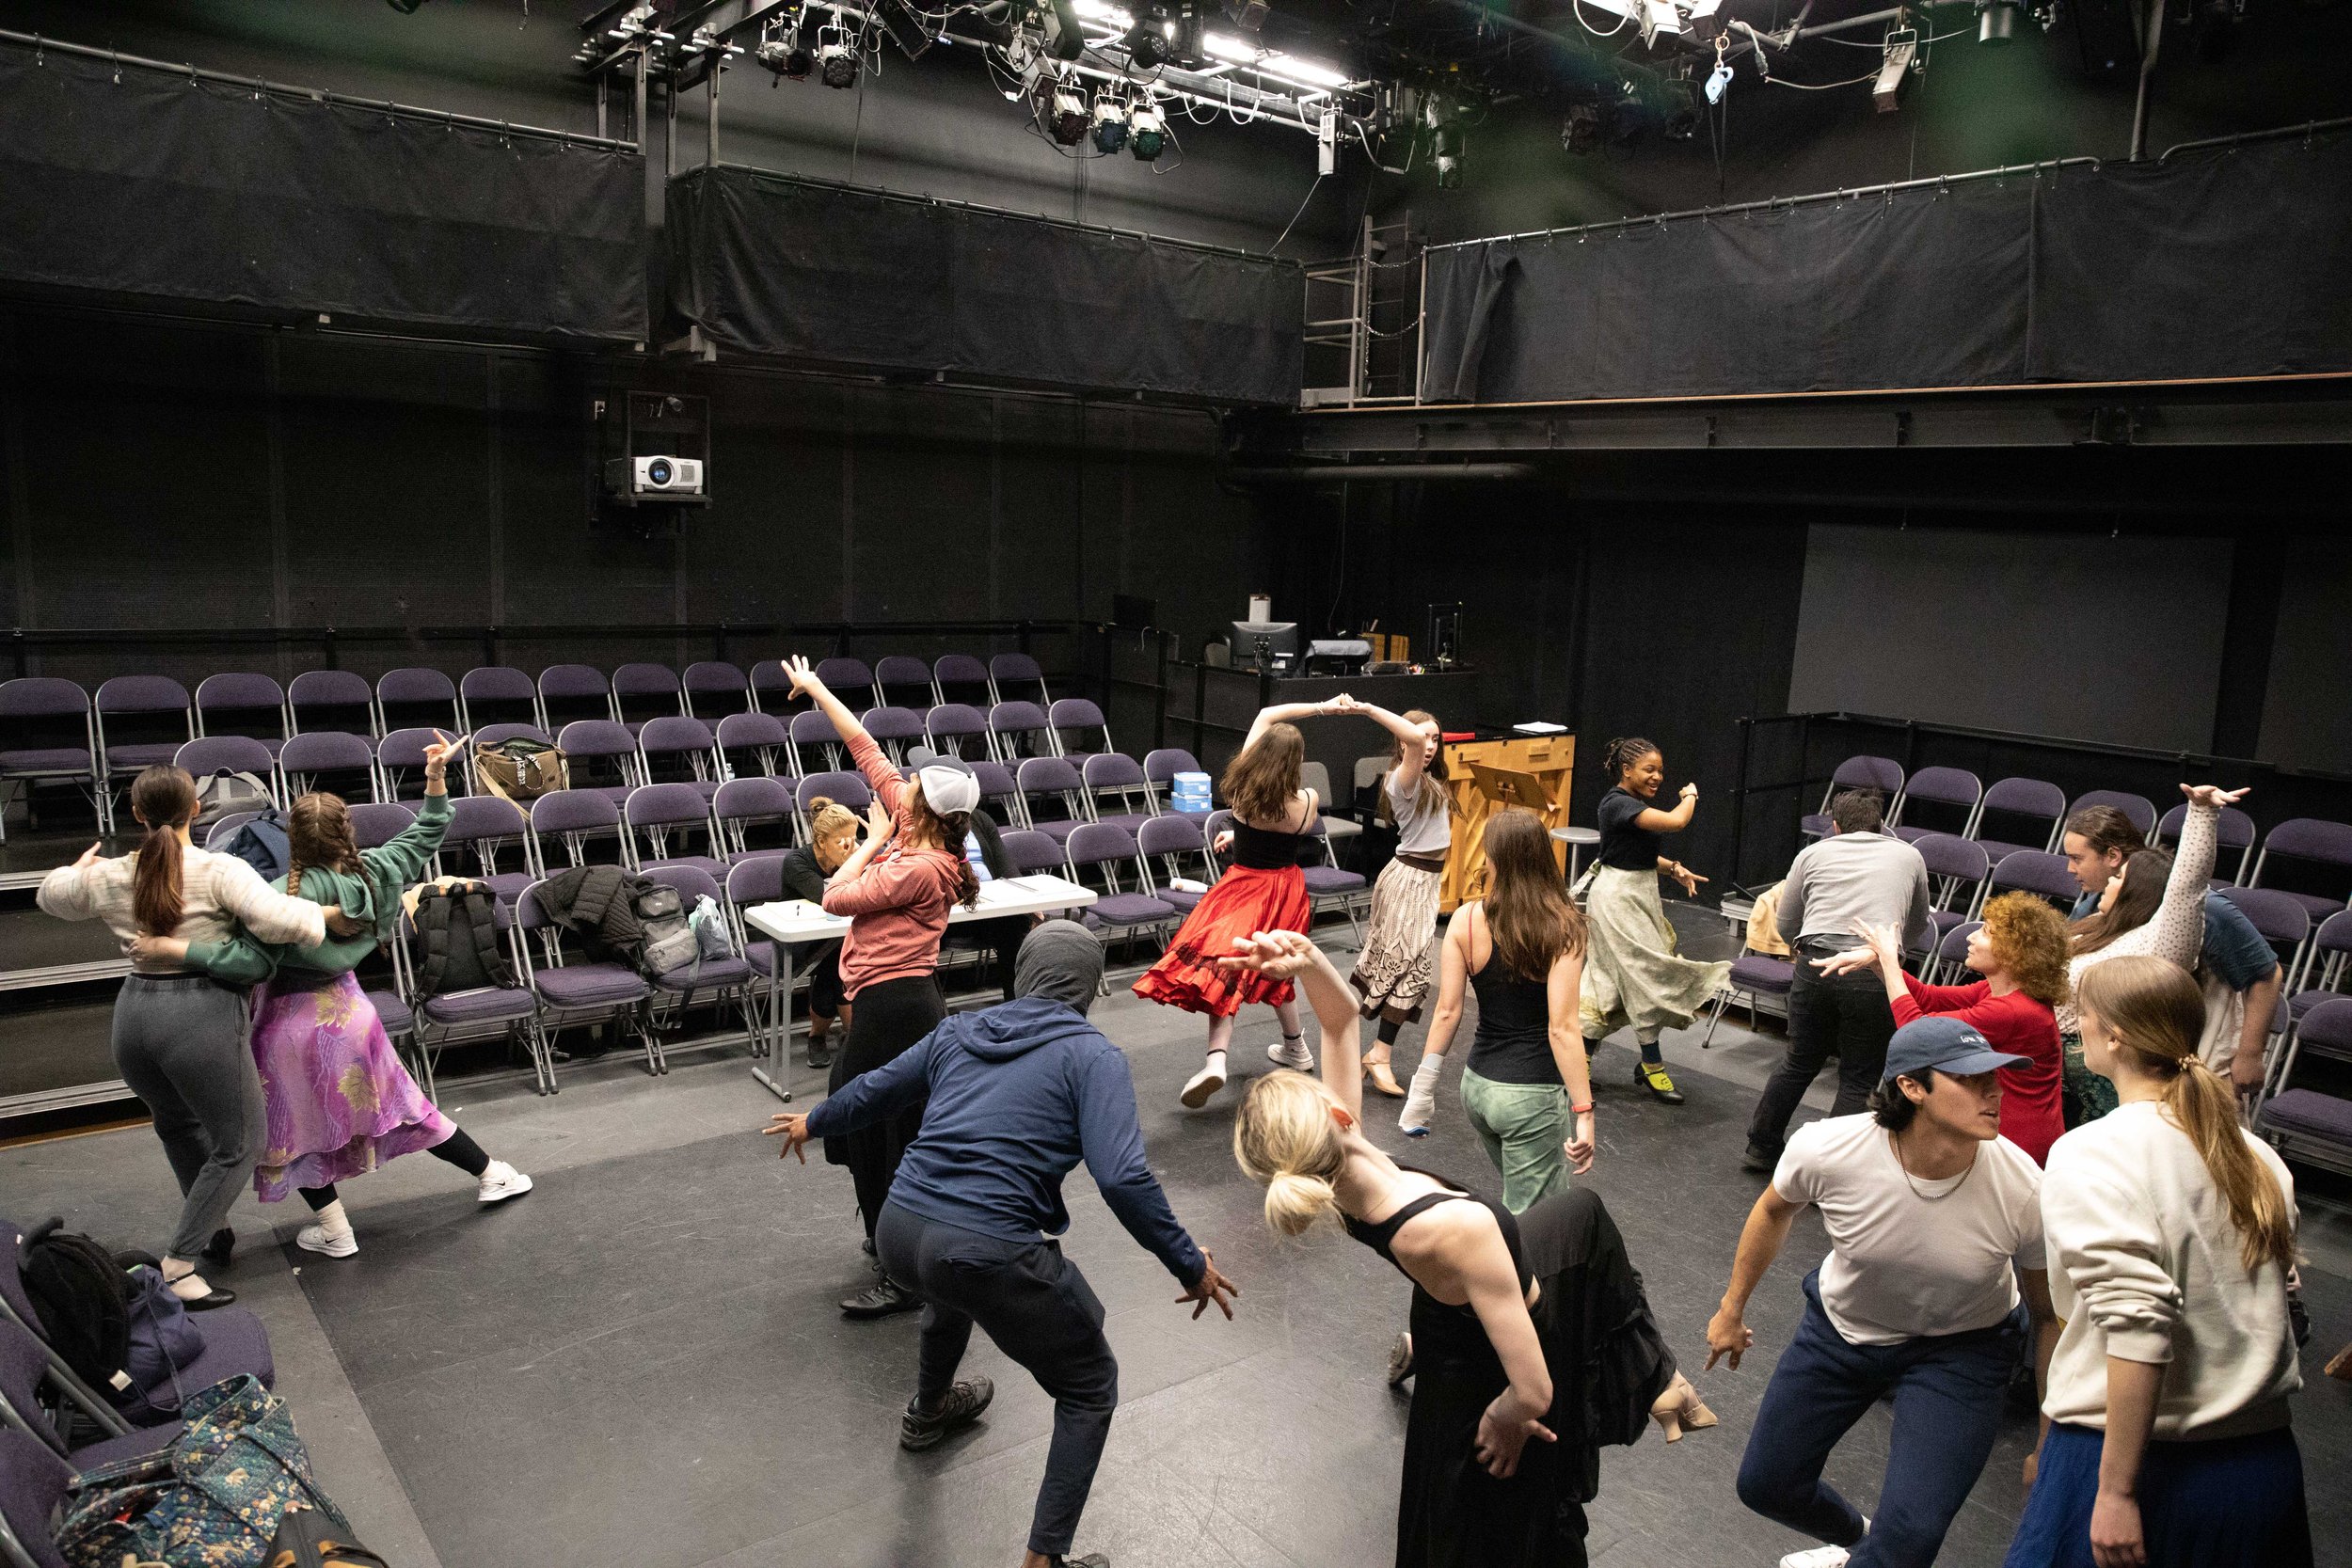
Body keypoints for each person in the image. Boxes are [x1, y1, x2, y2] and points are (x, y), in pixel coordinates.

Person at [1229, 927, 1708, 1568]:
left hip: (1452, 1307)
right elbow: (1534, 1390)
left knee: (1581, 1215)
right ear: (1337, 1115)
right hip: (1481, 1361)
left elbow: (1341, 1021)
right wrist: (1505, 1417)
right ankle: (1657, 1385)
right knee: (1498, 1535)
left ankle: (1660, 1379)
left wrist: (1308, 958)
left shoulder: (1338, 1175)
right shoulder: (1451, 1227)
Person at [766, 922, 1239, 1568]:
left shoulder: (960, 1030)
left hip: (900, 1228)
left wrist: (812, 1119)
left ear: (1023, 973)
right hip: (981, 1246)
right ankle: (1043, 1562)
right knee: (1090, 1383)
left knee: (950, 1284)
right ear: (1090, 986)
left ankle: (929, 1410)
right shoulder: (1092, 1056)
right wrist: (1190, 1261)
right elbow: (1123, 1176)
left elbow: (878, 1087)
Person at [131, 732, 532, 1258]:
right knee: (409, 1108)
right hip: (352, 1014)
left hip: (284, 1026)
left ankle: (336, 1230)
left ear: (288, 840)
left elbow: (247, 963)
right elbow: (431, 827)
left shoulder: (279, 899)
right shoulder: (382, 871)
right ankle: (492, 1173)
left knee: (292, 1132)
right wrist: (435, 774)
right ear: (349, 832)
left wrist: (175, 949)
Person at [1708, 1015, 2059, 1568]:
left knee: (1911, 1541)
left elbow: (2047, 1314)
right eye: (1969, 1079)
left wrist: (2048, 1442)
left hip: (1964, 1349)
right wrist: (1731, 1308)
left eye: (1995, 1076)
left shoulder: (2023, 1188)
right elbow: (1774, 1209)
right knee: (1766, 1484)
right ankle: (1859, 1543)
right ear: (1911, 1087)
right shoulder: (1828, 1149)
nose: (1994, 1091)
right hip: (1843, 1330)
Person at [2007, 956, 2309, 1568]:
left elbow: (2139, 1326)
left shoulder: (2094, 1152)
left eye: (2083, 1016)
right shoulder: (2258, 1157)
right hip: (2260, 1467)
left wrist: (2115, 1490)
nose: (2075, 1027)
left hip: (2133, 1459)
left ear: (2113, 1034)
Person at [37, 766, 330, 1306]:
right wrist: (320, 914)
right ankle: (179, 1265)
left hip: (134, 1017)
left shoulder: (110, 875)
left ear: (136, 814)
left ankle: (213, 1229)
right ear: (196, 810)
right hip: (199, 1016)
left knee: (175, 1125)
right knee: (240, 1143)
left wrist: (71, 868)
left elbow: (51, 895)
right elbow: (291, 926)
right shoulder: (220, 869)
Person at [785, 655, 983, 1319]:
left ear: (926, 806)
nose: (904, 786)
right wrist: (815, 689)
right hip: (883, 1003)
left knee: (882, 1134)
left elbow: (835, 895)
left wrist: (866, 843)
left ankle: (901, 1270)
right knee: (862, 1124)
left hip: (900, 1008)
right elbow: (863, 745)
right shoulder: (912, 817)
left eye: (913, 786)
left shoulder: (923, 864)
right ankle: (894, 1244)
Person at [1135, 698, 1343, 1108]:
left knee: (1226, 966)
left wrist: (1323, 707)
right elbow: (1282, 837)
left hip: (1245, 888)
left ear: (1262, 756)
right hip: (1287, 890)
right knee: (1278, 969)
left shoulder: (1242, 795)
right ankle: (1296, 1047)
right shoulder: (1308, 800)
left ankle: (1216, 1061)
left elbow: (1266, 714)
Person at [1399, 814, 1597, 1220]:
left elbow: (1448, 1012)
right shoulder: (1564, 929)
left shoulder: (1464, 920)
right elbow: (1562, 1029)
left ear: (1496, 860)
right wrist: (1585, 1112)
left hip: (1478, 1090)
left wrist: (1422, 1092)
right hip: (1529, 1098)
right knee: (1538, 1221)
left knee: (1522, 1198)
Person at [1804, 892, 2071, 1164]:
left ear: (2015, 952)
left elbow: (1917, 1033)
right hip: (2008, 1127)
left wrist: (1888, 961)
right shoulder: (2000, 991)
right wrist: (1878, 962)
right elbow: (1928, 997)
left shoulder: (2013, 1010)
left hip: (2017, 1140)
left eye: (1986, 932)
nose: (1971, 937)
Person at [1743, 789, 1934, 1169]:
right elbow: (1917, 922)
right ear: (1881, 825)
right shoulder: (1910, 855)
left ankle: (1761, 1148)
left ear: (1834, 827)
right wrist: (1889, 957)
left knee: (1798, 1062)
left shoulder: (1811, 853)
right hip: (1871, 968)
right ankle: (1828, 1168)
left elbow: (1785, 922)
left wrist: (1803, 953)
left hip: (1816, 963)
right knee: (1859, 1075)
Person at [2059, 802, 2284, 1098]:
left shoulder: (2207, 910)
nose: (2069, 868)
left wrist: (2250, 1055)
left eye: (2077, 858)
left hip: (2188, 1043)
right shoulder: (2098, 902)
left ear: (2113, 856)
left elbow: (2266, 975)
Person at [1577, 736, 1730, 1104]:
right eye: (1649, 769)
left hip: (1637, 895)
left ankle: (1581, 1059)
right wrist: (1691, 795)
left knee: (1615, 980)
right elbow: (1676, 822)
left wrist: (1674, 869)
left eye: (1660, 770)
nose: (1657, 776)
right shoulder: (1617, 804)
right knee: (1644, 975)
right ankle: (1651, 1064)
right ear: (1626, 770)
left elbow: (1630, 853)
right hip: (1617, 901)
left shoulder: (1631, 806)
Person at [1347, 703, 1452, 1101]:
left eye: (1436, 738)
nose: (1429, 745)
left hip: (1425, 882)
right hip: (1408, 879)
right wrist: (1369, 709)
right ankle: (1375, 1053)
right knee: (1405, 969)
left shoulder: (1429, 778)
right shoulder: (1402, 779)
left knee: (1408, 972)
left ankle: (1376, 1053)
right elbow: (1409, 740)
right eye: (1422, 738)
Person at [774, 795, 860, 1069]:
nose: (850, 847)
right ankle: (853, 1039)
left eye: (853, 839)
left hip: (837, 937)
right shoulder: (796, 862)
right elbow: (831, 899)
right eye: (841, 841)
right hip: (798, 941)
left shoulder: (847, 859)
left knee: (839, 961)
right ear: (821, 842)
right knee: (840, 962)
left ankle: (822, 1037)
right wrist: (855, 864)